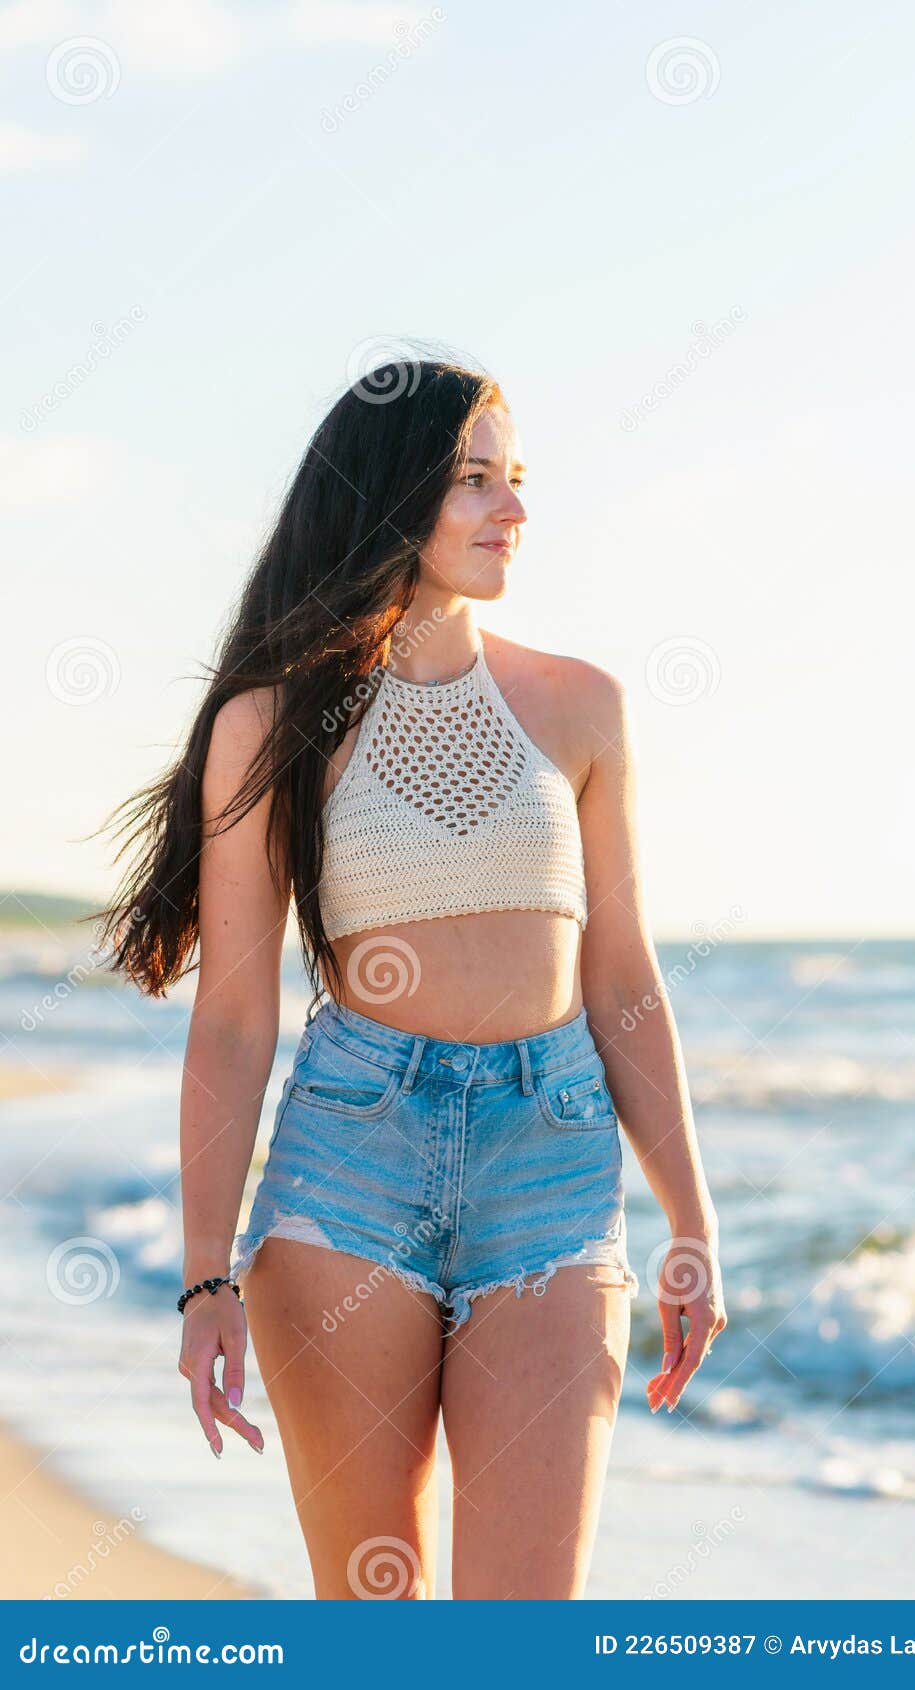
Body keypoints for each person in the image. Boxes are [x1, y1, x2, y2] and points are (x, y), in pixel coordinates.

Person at [91, 356, 726, 1600]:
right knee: (377, 1622)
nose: (514, 511)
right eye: (475, 480)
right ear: (393, 495)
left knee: (521, 1635)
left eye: (518, 480)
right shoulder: (270, 725)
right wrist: (205, 1275)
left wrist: (692, 1224)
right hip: (350, 1161)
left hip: (551, 1159)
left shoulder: (581, 707)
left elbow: (622, 978)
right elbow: (230, 1022)